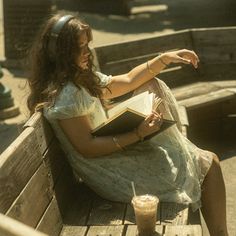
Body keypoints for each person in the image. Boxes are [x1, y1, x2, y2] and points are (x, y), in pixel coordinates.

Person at [27, 13, 228, 236]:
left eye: (86, 44)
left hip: (116, 155)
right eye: (79, 47)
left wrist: (165, 58)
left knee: (151, 85)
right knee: (209, 165)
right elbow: (87, 148)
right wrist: (137, 133)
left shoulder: (79, 78)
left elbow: (129, 80)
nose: (86, 52)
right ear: (61, 52)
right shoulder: (67, 96)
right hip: (109, 171)